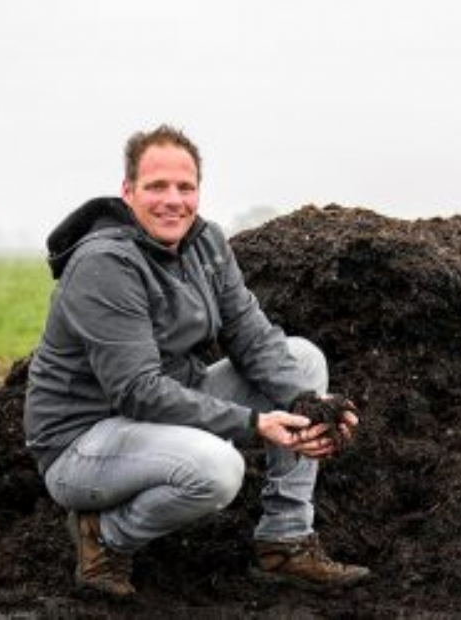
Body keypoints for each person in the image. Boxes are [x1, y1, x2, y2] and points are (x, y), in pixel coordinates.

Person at [23, 124, 370, 597]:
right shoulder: (104, 264)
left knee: (301, 360)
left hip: (165, 408)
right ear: (128, 191)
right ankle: (102, 536)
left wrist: (309, 404)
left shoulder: (206, 243)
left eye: (185, 187)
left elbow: (250, 333)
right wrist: (254, 423)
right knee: (218, 470)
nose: (173, 200)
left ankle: (284, 542)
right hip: (83, 442)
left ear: (198, 192)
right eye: (156, 186)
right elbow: (137, 391)